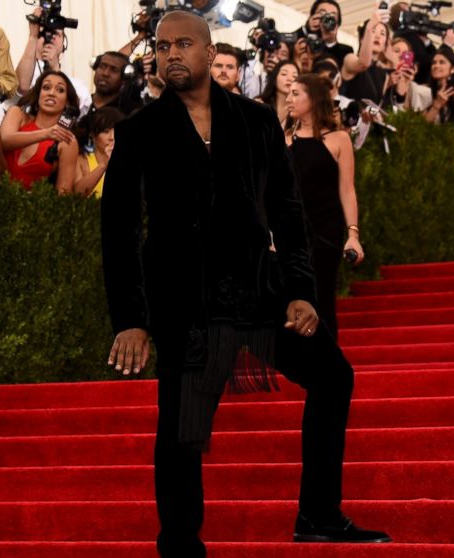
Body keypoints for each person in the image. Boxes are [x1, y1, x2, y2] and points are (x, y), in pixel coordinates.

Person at [101, 12, 390, 556]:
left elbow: (287, 209)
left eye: (183, 44)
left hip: (261, 291)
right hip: (185, 302)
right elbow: (118, 232)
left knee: (333, 376)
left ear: (211, 54)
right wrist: (131, 320)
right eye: (162, 47)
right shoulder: (139, 130)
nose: (171, 55)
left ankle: (319, 514)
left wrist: (302, 290)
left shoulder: (256, 122)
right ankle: (181, 544)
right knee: (184, 430)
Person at [287, 73, 363, 339]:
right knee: (291, 299)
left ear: (315, 98)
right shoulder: (282, 139)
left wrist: (353, 235)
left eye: (296, 93)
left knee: (322, 297)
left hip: (325, 230)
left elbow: (347, 189)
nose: (289, 99)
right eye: (288, 93)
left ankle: (327, 366)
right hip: (289, 232)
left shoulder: (339, 139)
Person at [0, 69, 79, 193]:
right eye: (46, 87)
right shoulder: (17, 114)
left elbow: (64, 193)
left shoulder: (67, 140)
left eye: (60, 90)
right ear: (38, 95)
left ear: (67, 102)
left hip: (28, 207)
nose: (52, 93)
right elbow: (4, 141)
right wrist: (46, 134)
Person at [14, 11, 91, 116]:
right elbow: (22, 88)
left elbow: (76, 112)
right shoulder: (23, 71)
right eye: (45, 33)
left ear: (64, 44)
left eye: (56, 34)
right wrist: (32, 36)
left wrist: (54, 67)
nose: (51, 37)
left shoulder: (78, 85)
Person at [340, 4, 391, 107]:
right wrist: (369, 28)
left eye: (382, 34)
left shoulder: (384, 76)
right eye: (373, 31)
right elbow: (364, 63)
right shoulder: (350, 59)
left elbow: (378, 105)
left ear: (385, 45)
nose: (377, 36)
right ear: (362, 39)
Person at [73, 106, 122, 197]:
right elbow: (77, 195)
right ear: (93, 136)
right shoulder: (81, 160)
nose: (112, 137)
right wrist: (104, 165)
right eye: (106, 131)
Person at [298, 0, 354, 67]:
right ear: (312, 17)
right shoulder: (300, 42)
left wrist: (330, 41)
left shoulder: (345, 51)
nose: (327, 18)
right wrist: (307, 28)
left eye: (333, 15)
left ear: (337, 25)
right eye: (322, 13)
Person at [383, 36, 431, 112]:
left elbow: (399, 112)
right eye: (396, 51)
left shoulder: (409, 84)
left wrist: (404, 89)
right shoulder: (378, 73)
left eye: (405, 54)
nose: (401, 56)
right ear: (387, 54)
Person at [424, 45, 454, 125]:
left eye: (442, 62)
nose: (436, 66)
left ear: (453, 69)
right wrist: (436, 106)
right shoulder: (424, 91)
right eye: (434, 63)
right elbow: (420, 126)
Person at [257, 60, 298, 130]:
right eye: (284, 74)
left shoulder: (299, 110)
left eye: (294, 76)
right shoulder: (260, 104)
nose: (290, 79)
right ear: (274, 78)